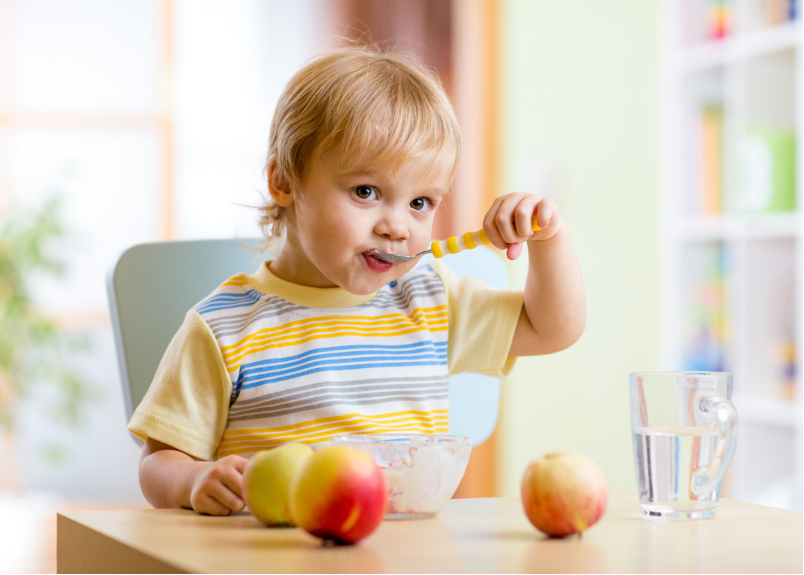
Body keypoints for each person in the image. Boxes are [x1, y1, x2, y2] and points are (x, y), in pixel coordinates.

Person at [128, 45, 585, 516]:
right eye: (366, 191)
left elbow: (552, 328)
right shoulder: (223, 327)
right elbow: (158, 463)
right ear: (284, 181)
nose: (398, 227)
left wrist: (549, 239)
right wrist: (193, 480)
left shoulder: (429, 298)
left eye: (420, 203)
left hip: (405, 548)